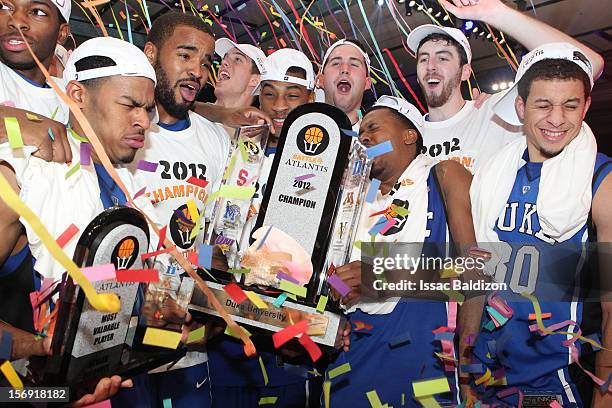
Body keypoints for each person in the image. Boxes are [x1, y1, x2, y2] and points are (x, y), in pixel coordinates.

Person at [0, 35, 159, 405]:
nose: (144, 122)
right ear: (77, 95)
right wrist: (40, 346)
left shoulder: (131, 185)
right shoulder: (25, 173)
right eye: (130, 105)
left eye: (148, 109)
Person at [470, 42, 611, 406]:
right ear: (521, 107)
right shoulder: (493, 175)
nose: (556, 120)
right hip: (492, 371)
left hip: (559, 378)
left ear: (586, 106)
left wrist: (604, 394)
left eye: (570, 105)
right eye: (543, 105)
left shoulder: (600, 178)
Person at [325, 96, 482, 406]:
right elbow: (338, 282)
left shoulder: (443, 175)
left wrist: (468, 367)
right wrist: (337, 311)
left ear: (410, 136)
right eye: (360, 133)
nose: (364, 137)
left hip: (424, 358)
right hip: (353, 356)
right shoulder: (352, 198)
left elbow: (476, 272)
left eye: (373, 128)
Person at [116, 12, 231, 408]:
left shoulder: (215, 140)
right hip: (120, 343)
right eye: (185, 55)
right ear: (150, 54)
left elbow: (215, 242)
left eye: (204, 62)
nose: (197, 71)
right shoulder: (120, 130)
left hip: (187, 346)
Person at [205, 47, 317, 408]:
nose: (279, 105)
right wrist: (208, 267)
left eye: (292, 95)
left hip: (289, 318)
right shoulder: (235, 145)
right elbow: (206, 231)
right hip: (227, 319)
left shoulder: (327, 162)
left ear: (311, 99)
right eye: (269, 94)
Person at [406, 0, 605, 174]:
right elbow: (376, 190)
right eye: (424, 59)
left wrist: (495, 13)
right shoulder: (404, 134)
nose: (431, 66)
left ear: (465, 72)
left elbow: (591, 63)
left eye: (442, 58)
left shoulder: (496, 113)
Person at [213, 38, 265, 136]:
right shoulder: (190, 116)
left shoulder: (259, 139)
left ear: (255, 80)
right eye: (224, 58)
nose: (223, 62)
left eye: (237, 59)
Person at [316, 38, 371, 130]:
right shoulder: (298, 133)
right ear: (321, 80)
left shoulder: (380, 142)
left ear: (367, 83)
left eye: (354, 64)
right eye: (336, 63)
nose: (345, 69)